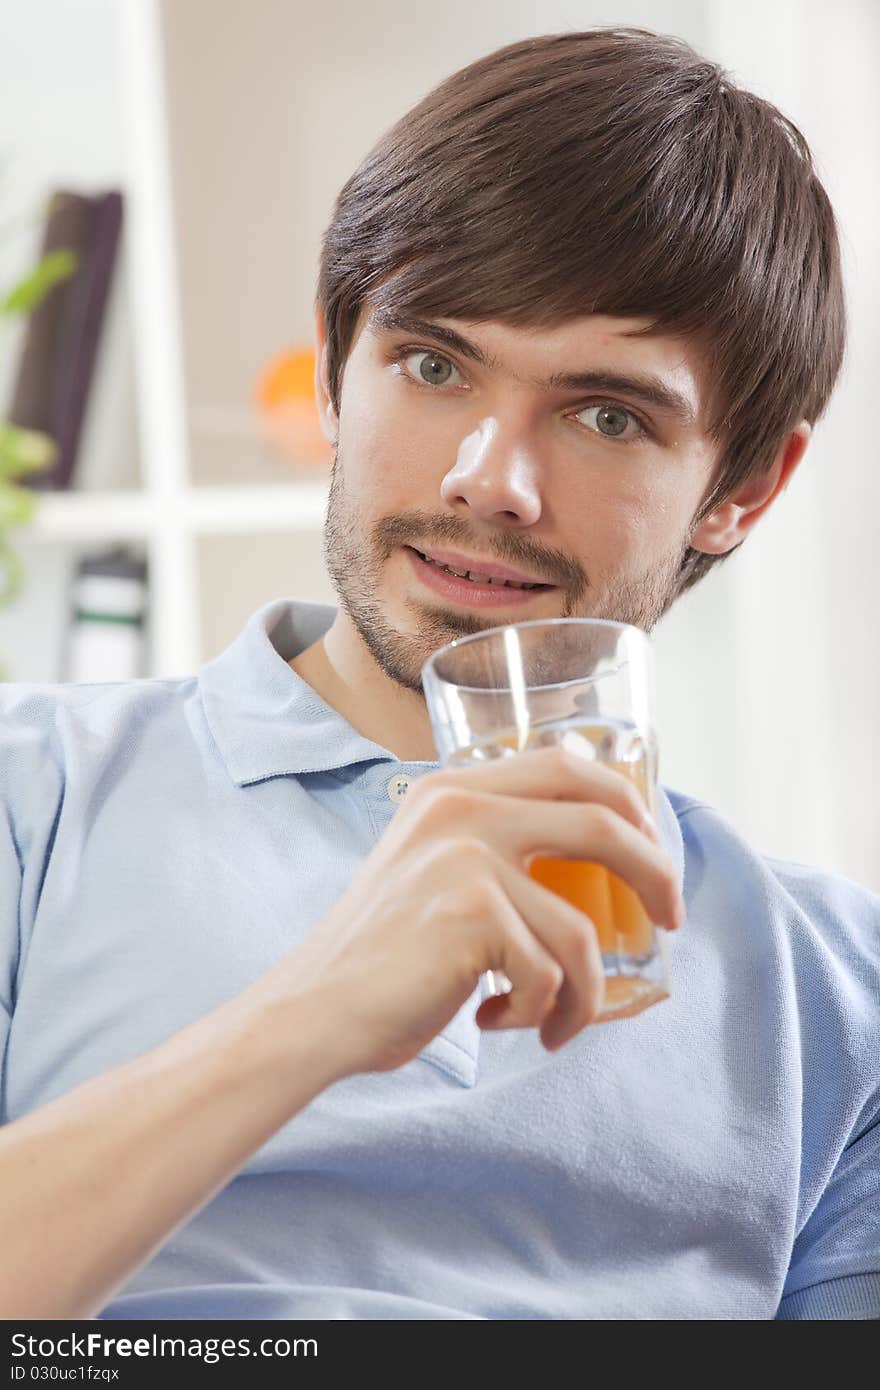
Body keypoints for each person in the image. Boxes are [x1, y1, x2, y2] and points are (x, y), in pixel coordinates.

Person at [0, 27, 877, 1323]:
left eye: (607, 414)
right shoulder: (35, 796)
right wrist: (316, 1006)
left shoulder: (836, 999)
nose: (490, 479)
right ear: (337, 372)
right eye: (431, 363)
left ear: (744, 488)